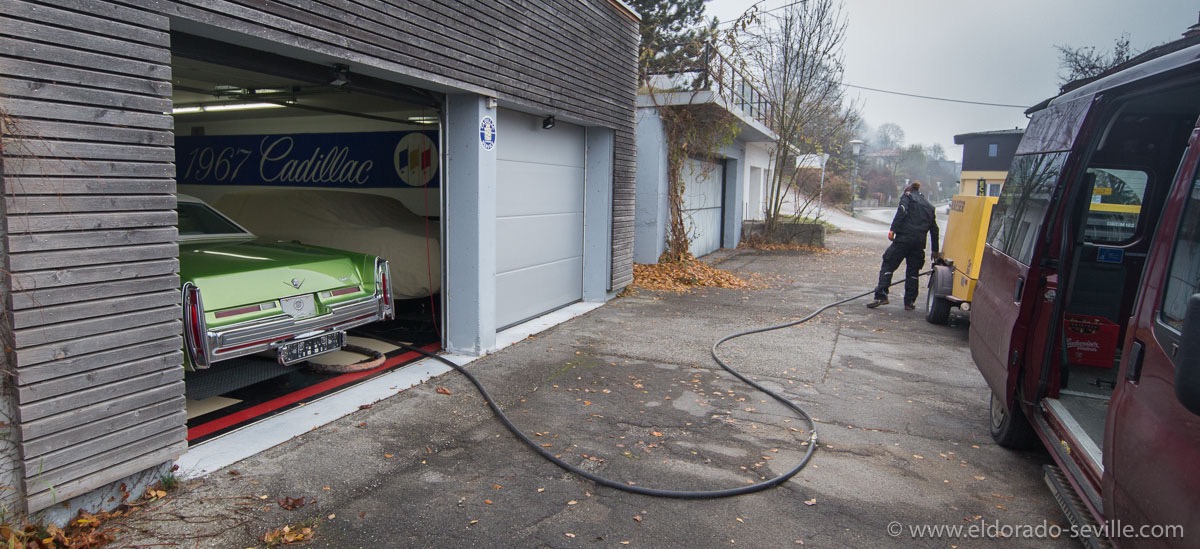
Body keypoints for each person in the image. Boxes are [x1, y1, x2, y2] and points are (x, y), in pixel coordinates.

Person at [867, 181, 940, 310]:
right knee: (913, 271)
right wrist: (935, 250)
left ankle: (881, 295)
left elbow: (902, 210)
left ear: (908, 190)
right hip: (918, 243)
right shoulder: (929, 206)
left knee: (888, 263)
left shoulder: (907, 197)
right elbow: (934, 229)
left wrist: (893, 229)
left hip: (903, 239)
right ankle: (909, 302)